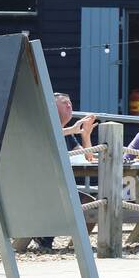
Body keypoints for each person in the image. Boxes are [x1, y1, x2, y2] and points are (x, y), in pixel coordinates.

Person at [36, 93, 98, 251]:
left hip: (59, 186)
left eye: (70, 103)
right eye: (64, 103)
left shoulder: (68, 133)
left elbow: (88, 157)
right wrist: (72, 129)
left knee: (92, 206)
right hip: (40, 187)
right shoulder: (44, 125)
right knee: (63, 199)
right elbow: (47, 134)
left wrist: (86, 135)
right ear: (52, 106)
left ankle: (76, 243)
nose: (69, 106)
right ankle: (44, 238)